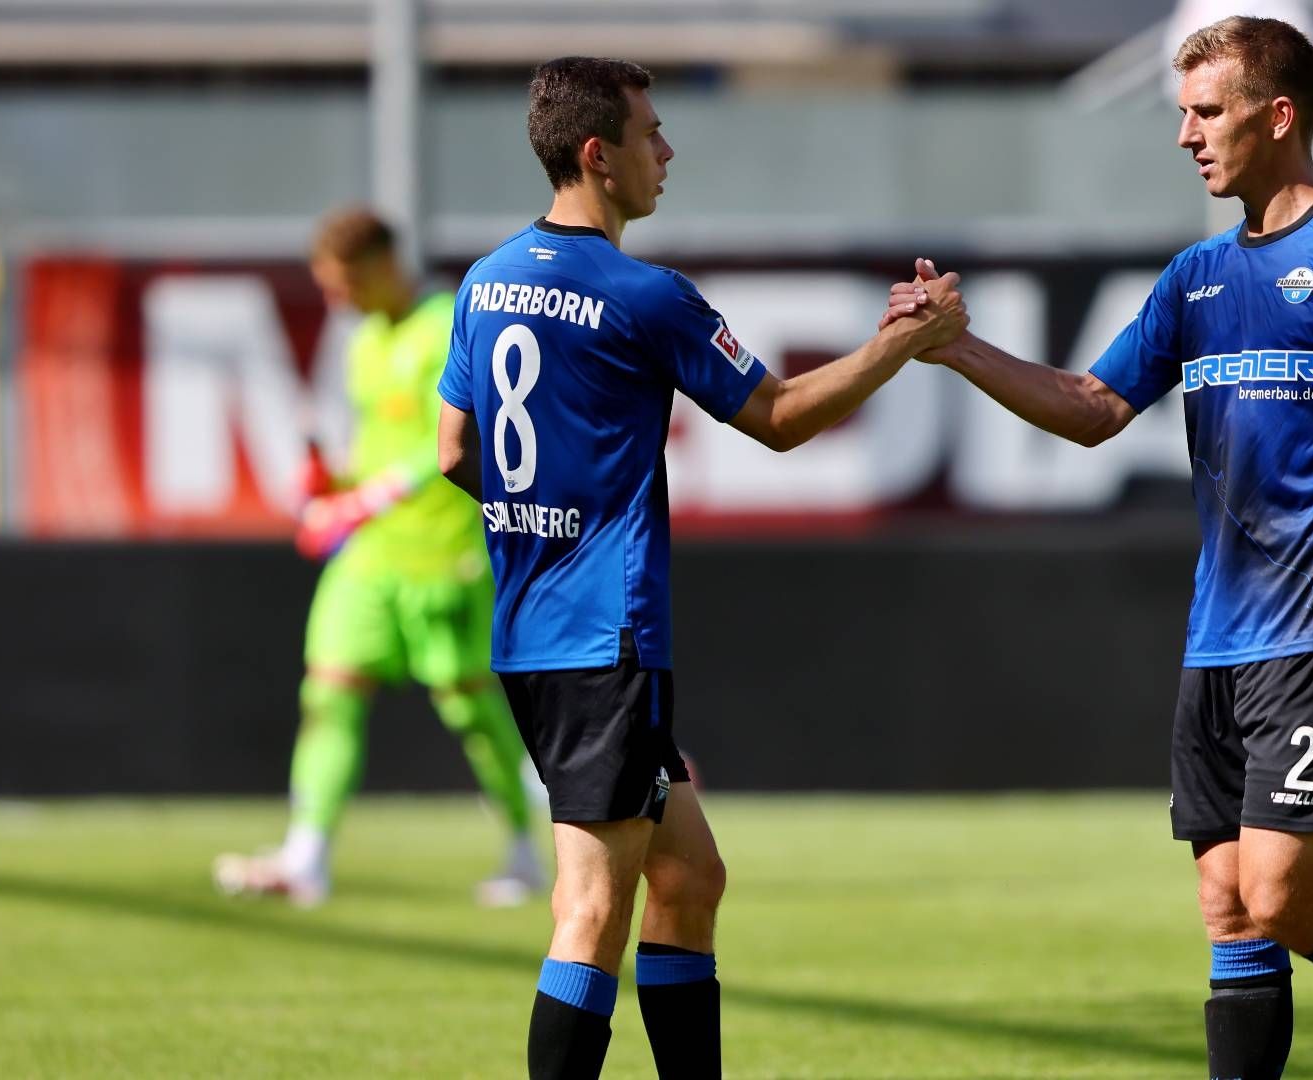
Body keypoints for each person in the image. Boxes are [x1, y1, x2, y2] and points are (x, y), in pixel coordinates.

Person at [885, 17, 1313, 1080]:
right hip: (1217, 641)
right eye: (1182, 113)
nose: (1187, 135)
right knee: (1230, 905)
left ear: (1278, 115)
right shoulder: (1194, 277)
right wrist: (956, 347)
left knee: (1282, 897)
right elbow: (1094, 406)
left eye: (1209, 111)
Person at [434, 57, 966, 1079]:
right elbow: (775, 419)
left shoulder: (486, 278)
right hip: (605, 639)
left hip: (536, 628)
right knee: (591, 909)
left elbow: (456, 452)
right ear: (599, 153)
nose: (667, 152)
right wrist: (901, 340)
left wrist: (542, 522)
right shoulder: (646, 296)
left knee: (690, 878)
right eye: (651, 133)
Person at [213, 209, 543, 909]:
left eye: (346, 284)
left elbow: (456, 440)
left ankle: (522, 848)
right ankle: (307, 855)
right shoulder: (366, 341)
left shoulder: (450, 324)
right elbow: (377, 444)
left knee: (473, 717)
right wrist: (332, 483)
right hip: (372, 558)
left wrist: (367, 498)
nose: (338, 301)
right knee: (329, 691)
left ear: (386, 265)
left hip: (445, 556)